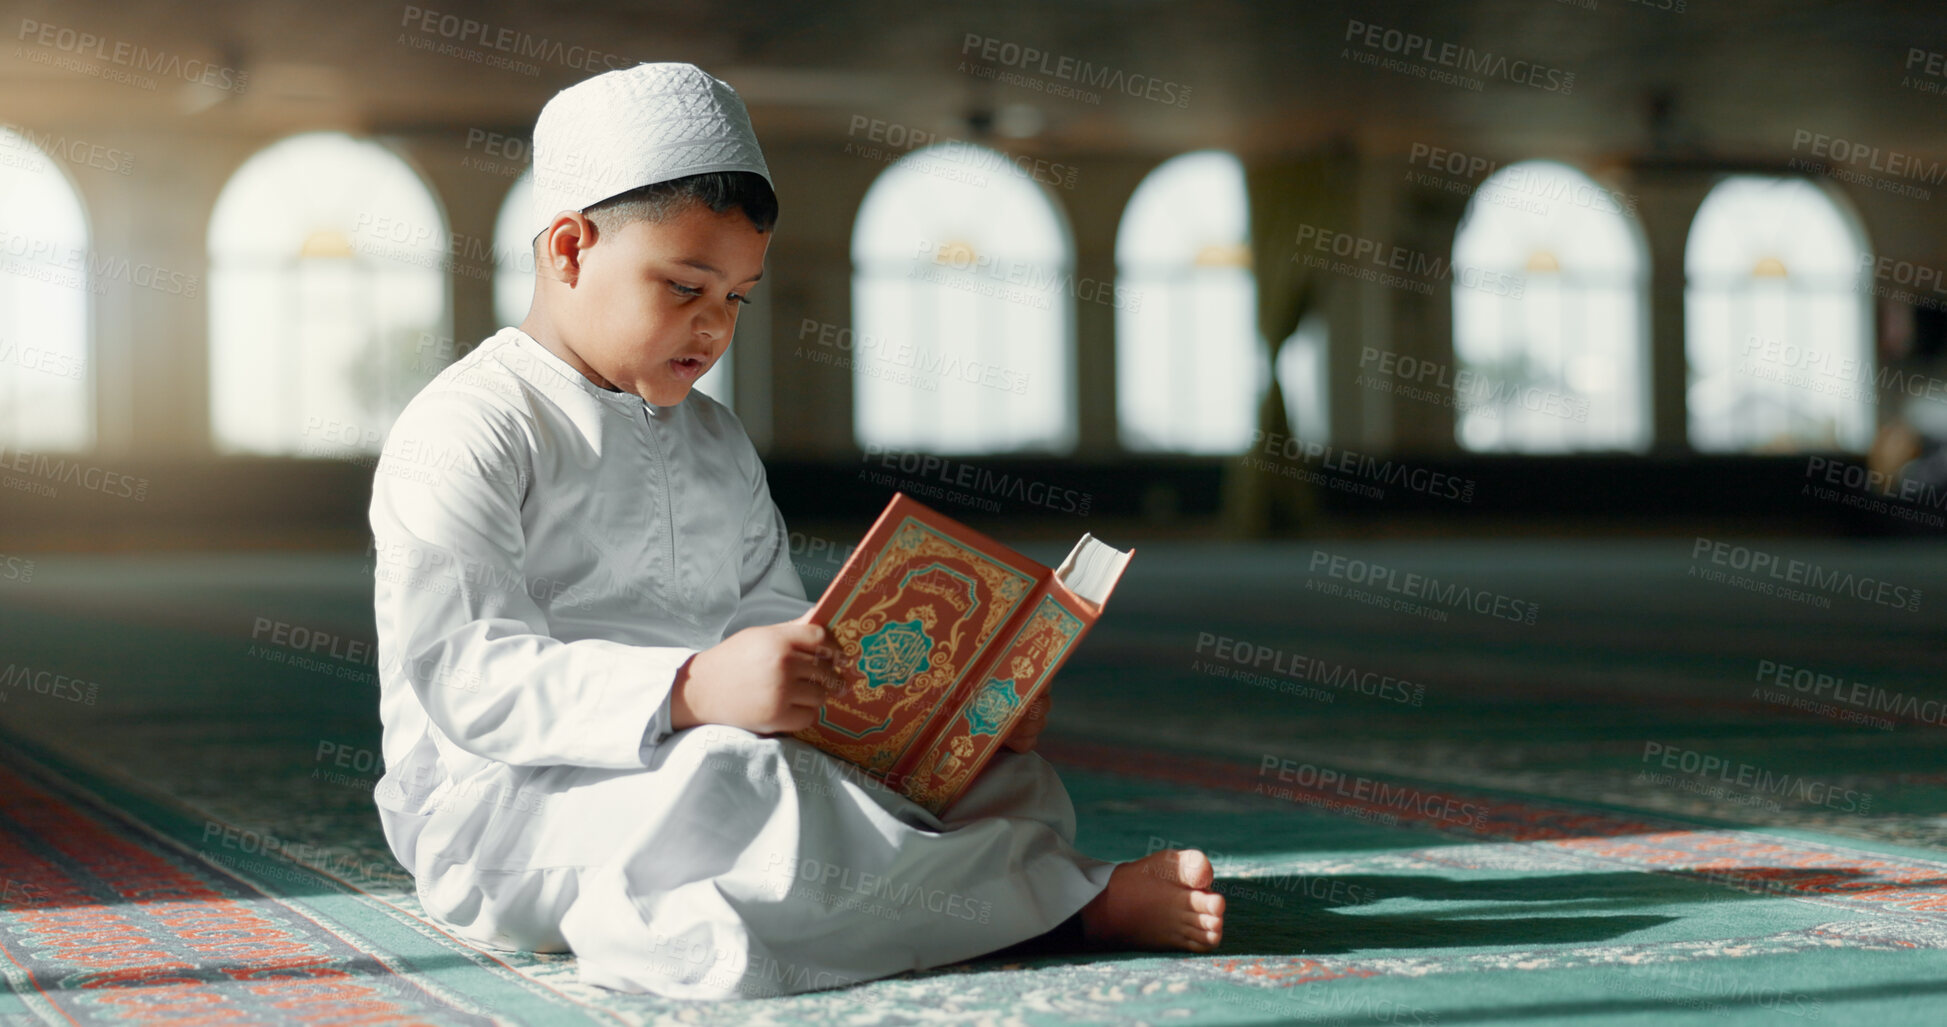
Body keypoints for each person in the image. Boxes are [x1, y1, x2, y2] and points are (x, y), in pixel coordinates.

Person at [367, 62, 1224, 1000]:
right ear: (569, 249)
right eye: (685, 285)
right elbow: (467, 675)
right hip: (508, 803)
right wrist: (688, 686)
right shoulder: (467, 427)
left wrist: (951, 703)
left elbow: (779, 622)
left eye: (736, 298)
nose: (713, 325)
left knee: (1000, 784)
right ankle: (1071, 908)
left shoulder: (715, 438)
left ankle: (984, 887)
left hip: (721, 749)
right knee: (749, 788)